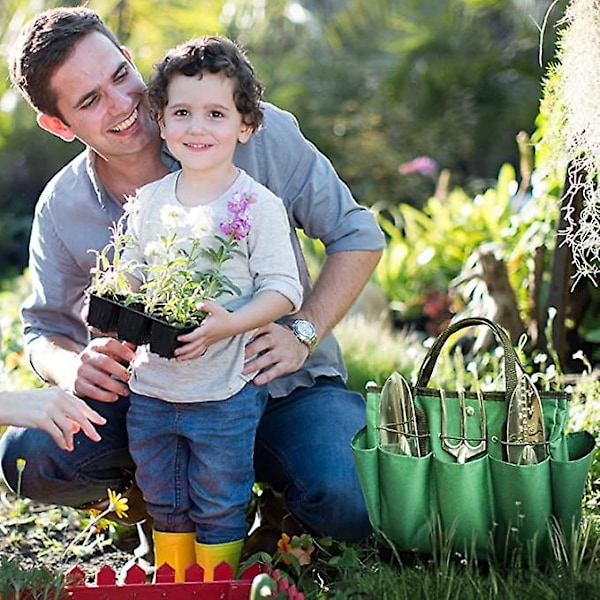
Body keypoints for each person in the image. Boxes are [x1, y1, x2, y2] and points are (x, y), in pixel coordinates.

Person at [0, 5, 384, 552]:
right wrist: (69, 366)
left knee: (349, 494)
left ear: (129, 59)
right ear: (59, 125)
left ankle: (277, 505)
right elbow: (41, 329)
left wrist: (303, 331)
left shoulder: (255, 132)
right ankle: (153, 496)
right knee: (27, 458)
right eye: (90, 101)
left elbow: (358, 236)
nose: (123, 106)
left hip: (276, 387)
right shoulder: (63, 207)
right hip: (152, 400)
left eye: (119, 77)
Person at [119, 36, 303, 581]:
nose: (197, 128)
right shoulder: (151, 201)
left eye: (216, 114)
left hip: (225, 390)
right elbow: (131, 271)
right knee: (162, 494)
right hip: (152, 386)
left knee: (219, 497)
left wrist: (232, 323)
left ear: (246, 126)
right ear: (162, 121)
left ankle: (216, 586)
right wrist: (114, 298)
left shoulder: (255, 205)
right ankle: (176, 583)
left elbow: (283, 290)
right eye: (182, 112)